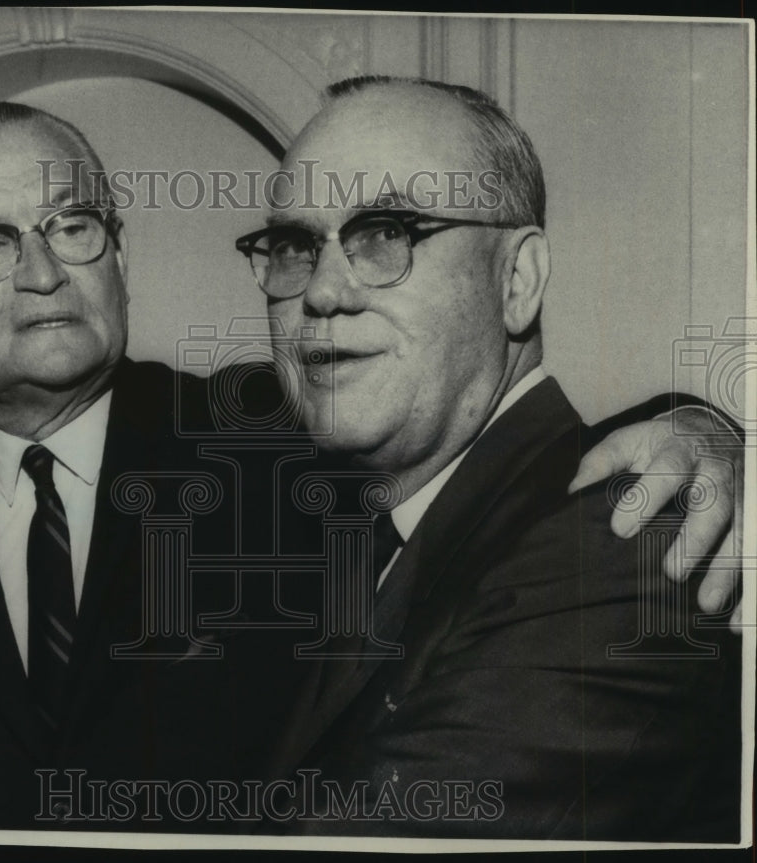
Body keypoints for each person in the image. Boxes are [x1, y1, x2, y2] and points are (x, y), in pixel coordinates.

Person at [0, 100, 741, 831]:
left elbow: (498, 460)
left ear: (118, 253)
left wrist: (699, 429)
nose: (44, 271)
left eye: (73, 224)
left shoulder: (273, 432)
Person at [234, 77, 742, 839]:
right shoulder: (365, 532)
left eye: (386, 233)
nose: (324, 291)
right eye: (295, 245)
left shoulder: (620, 543)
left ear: (518, 279)